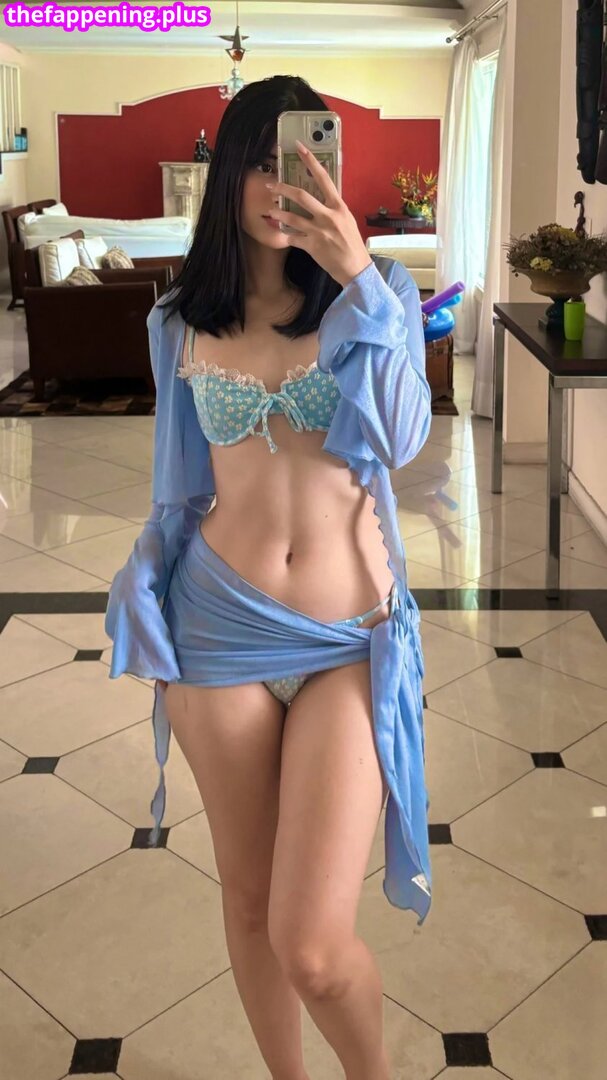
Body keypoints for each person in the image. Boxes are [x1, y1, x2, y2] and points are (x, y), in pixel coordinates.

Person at [105, 75, 432, 1080]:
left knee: (313, 945)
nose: (278, 184)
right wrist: (144, 584)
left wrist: (358, 276)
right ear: (226, 179)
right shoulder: (178, 319)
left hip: (348, 637)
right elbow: (178, 490)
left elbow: (403, 440)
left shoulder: (378, 297)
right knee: (248, 902)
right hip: (215, 630)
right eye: (256, 161)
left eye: (299, 160)